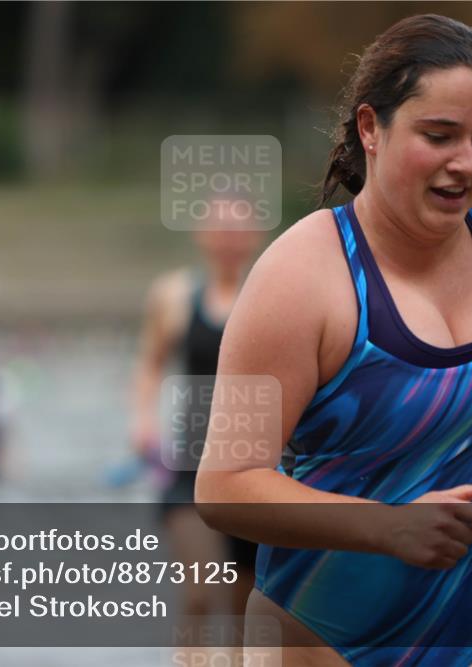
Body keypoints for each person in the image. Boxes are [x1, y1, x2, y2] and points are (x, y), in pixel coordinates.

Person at [195, 14, 472, 666]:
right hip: (325, 634)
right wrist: (388, 524)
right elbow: (225, 484)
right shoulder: (299, 280)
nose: (466, 163)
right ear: (371, 128)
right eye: (440, 135)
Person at [131, 201, 265, 622]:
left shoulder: (271, 293)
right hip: (188, 468)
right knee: (201, 593)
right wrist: (143, 421)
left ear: (255, 236)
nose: (229, 238)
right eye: (220, 228)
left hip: (254, 469)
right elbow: (150, 366)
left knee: (245, 607)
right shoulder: (173, 296)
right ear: (201, 234)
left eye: (238, 229)